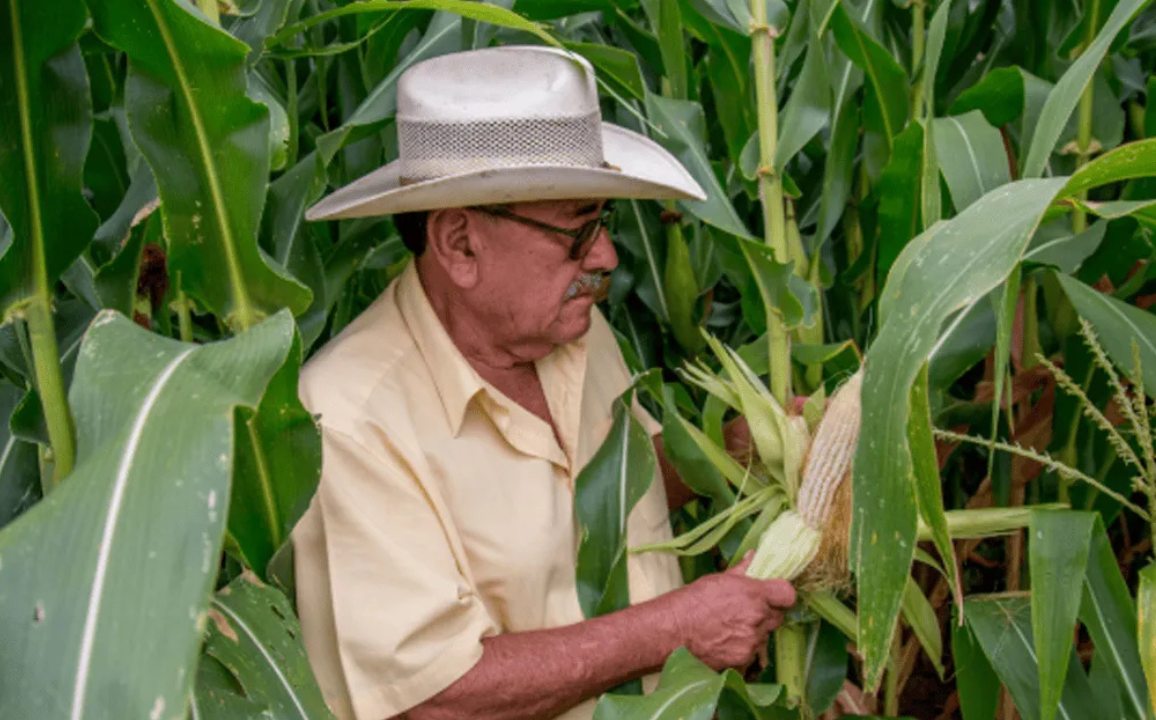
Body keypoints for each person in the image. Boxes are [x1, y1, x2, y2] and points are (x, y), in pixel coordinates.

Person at [293, 45, 796, 720]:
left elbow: (614, 495)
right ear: (461, 245)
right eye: (576, 232)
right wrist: (677, 630)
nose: (607, 256)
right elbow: (434, 697)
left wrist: (740, 454)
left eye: (605, 222)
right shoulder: (350, 419)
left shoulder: (576, 336)